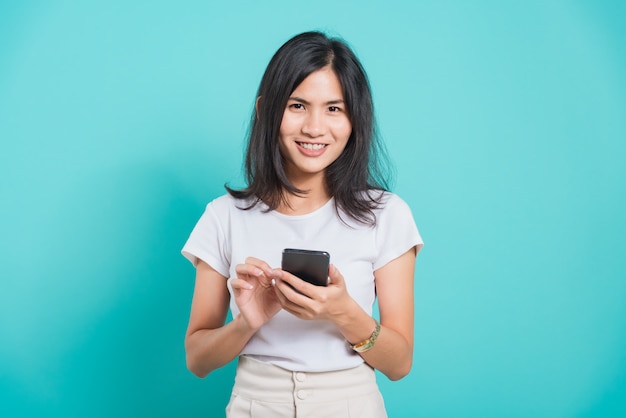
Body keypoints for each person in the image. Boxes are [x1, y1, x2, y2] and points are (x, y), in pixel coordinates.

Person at [181, 31, 423, 418]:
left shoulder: (387, 215)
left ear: (355, 119)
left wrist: (344, 312)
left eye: (334, 108)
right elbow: (198, 359)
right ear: (266, 110)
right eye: (297, 105)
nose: (314, 127)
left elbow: (399, 364)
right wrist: (248, 323)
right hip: (253, 406)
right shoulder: (223, 215)